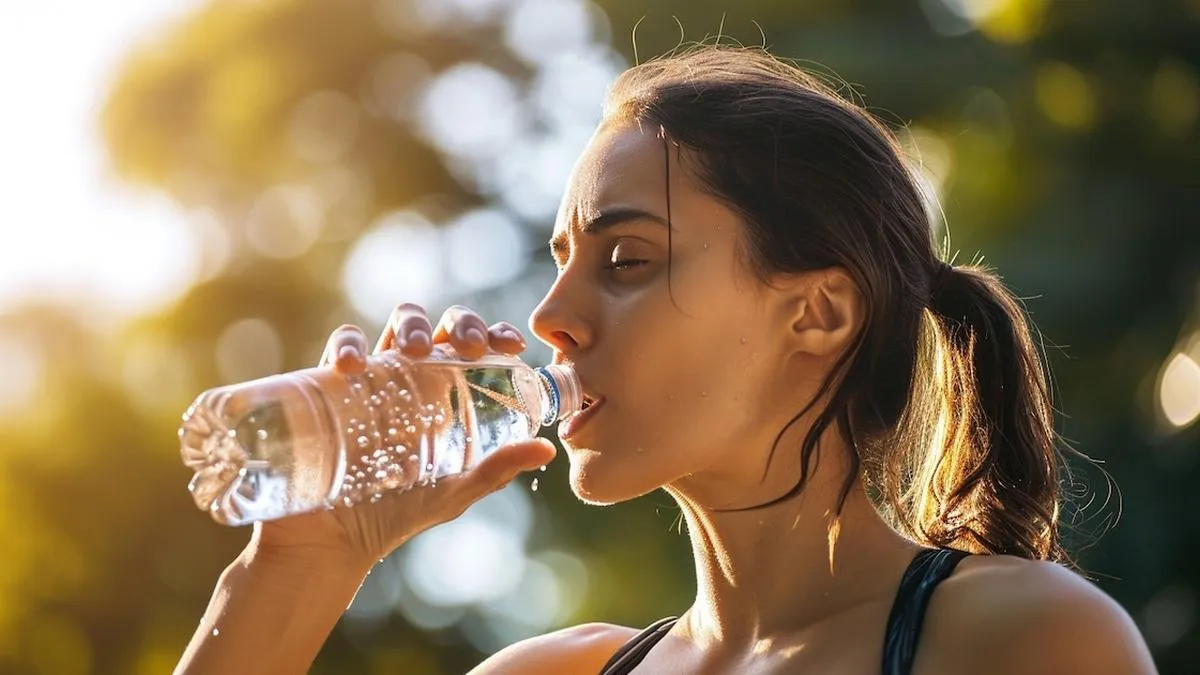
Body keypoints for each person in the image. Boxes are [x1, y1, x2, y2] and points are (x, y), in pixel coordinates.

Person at [174, 45, 1157, 674]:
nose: (551, 318)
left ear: (816, 312)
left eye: (627, 260)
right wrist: (300, 570)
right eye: (562, 266)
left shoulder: (1024, 642)